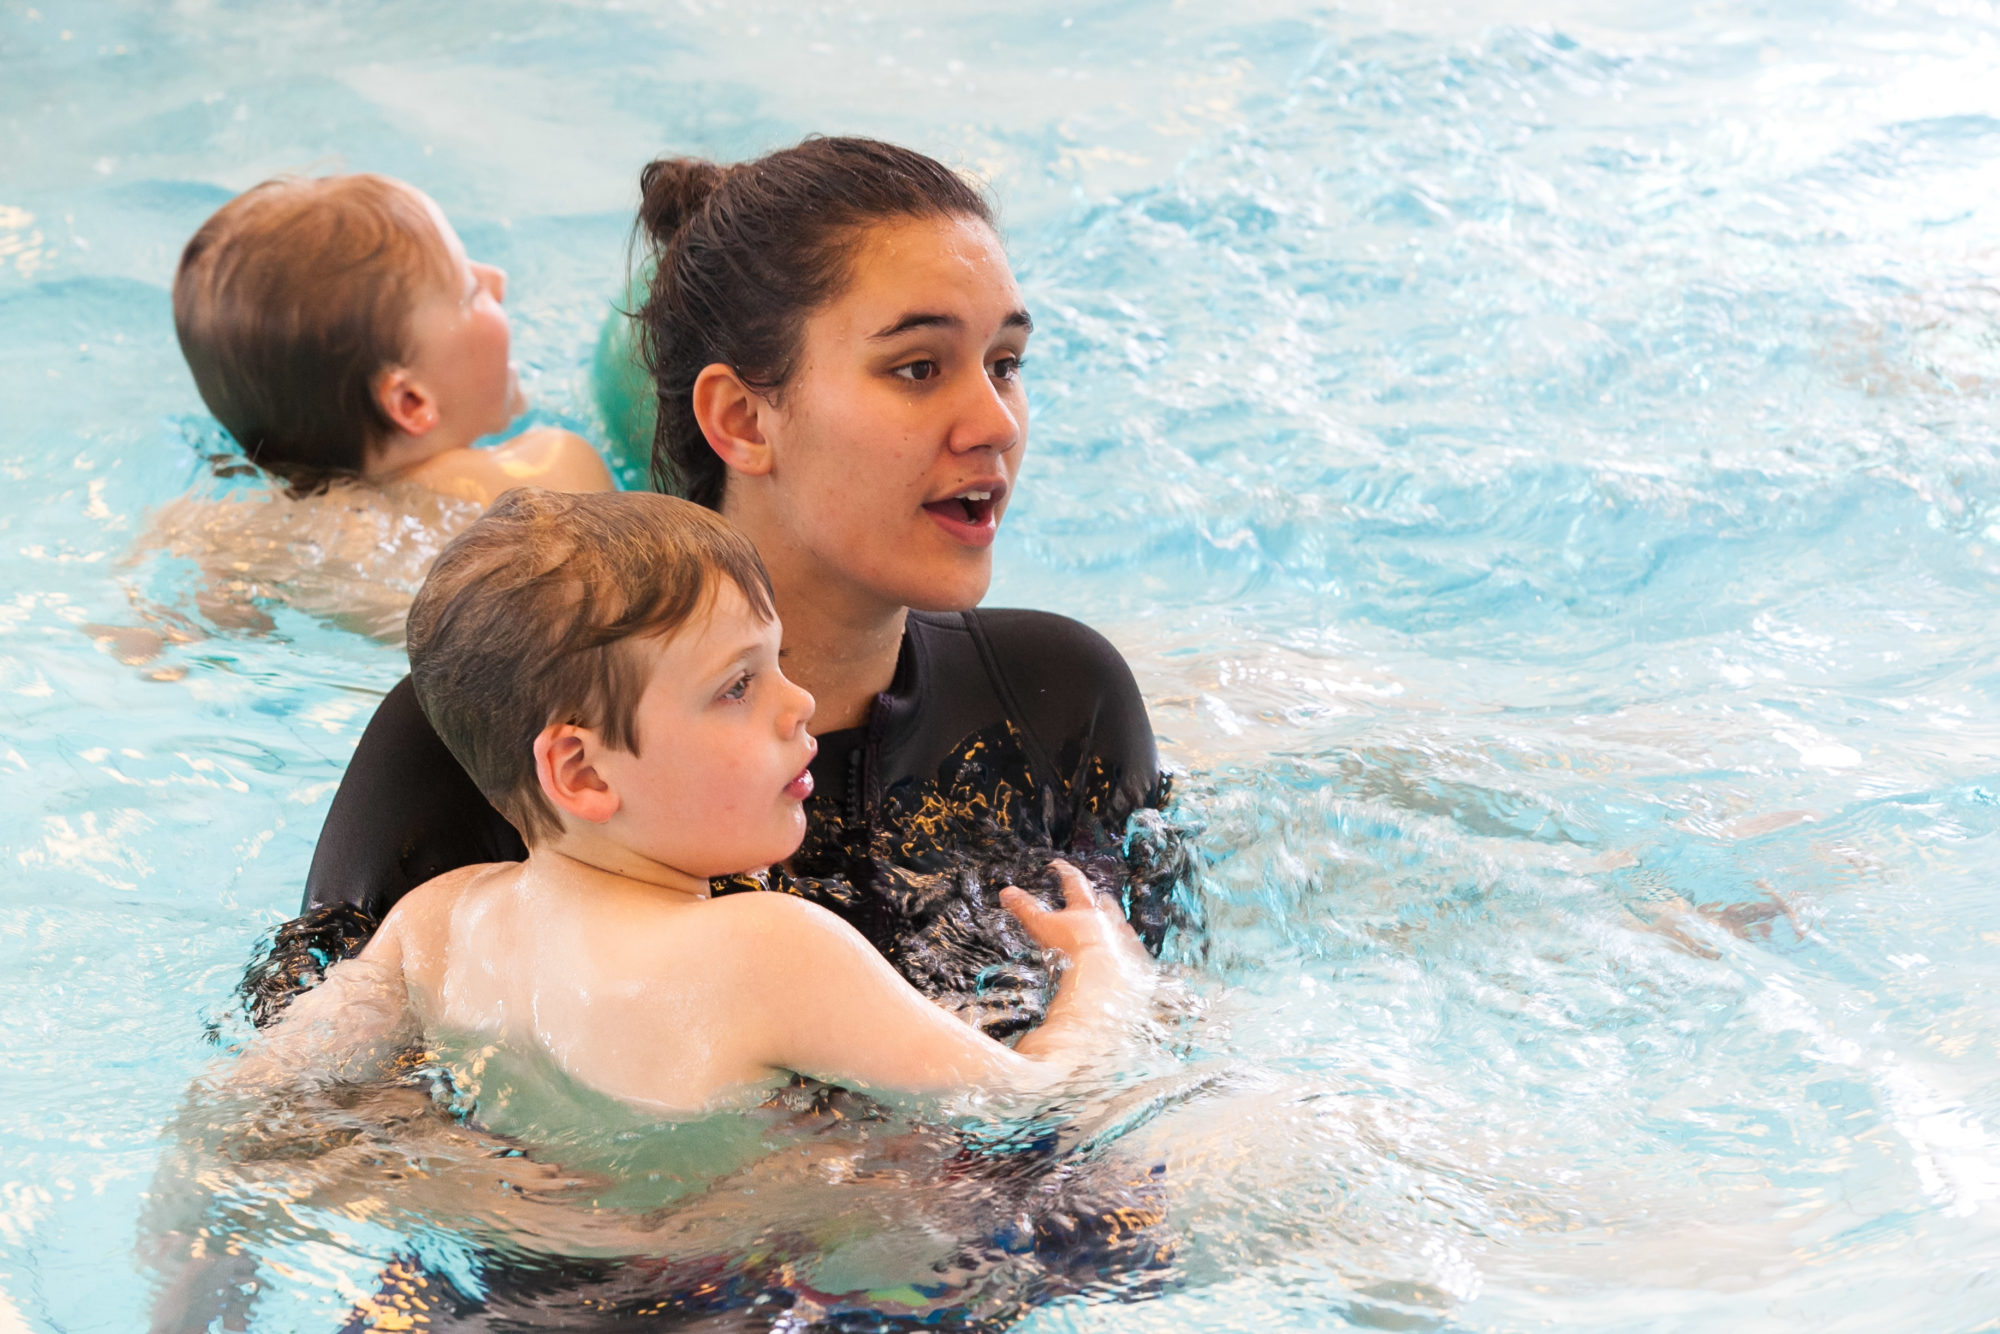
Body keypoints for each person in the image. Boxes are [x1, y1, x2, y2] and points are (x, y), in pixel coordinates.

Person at [272, 135, 1186, 1040]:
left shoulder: (1060, 706)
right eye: (918, 368)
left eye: (1006, 364)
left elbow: (1166, 1043)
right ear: (743, 418)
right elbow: (302, 1109)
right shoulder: (505, 725)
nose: (995, 423)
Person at [247, 487, 1152, 1113]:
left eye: (778, 662)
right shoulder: (774, 951)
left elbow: (264, 1098)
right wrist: (1105, 977)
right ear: (582, 772)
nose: (800, 703)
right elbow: (1037, 1104)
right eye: (738, 686)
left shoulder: (434, 924)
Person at [173, 173, 613, 503]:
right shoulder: (547, 480)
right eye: (470, 292)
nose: (497, 280)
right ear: (411, 403)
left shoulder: (236, 524)